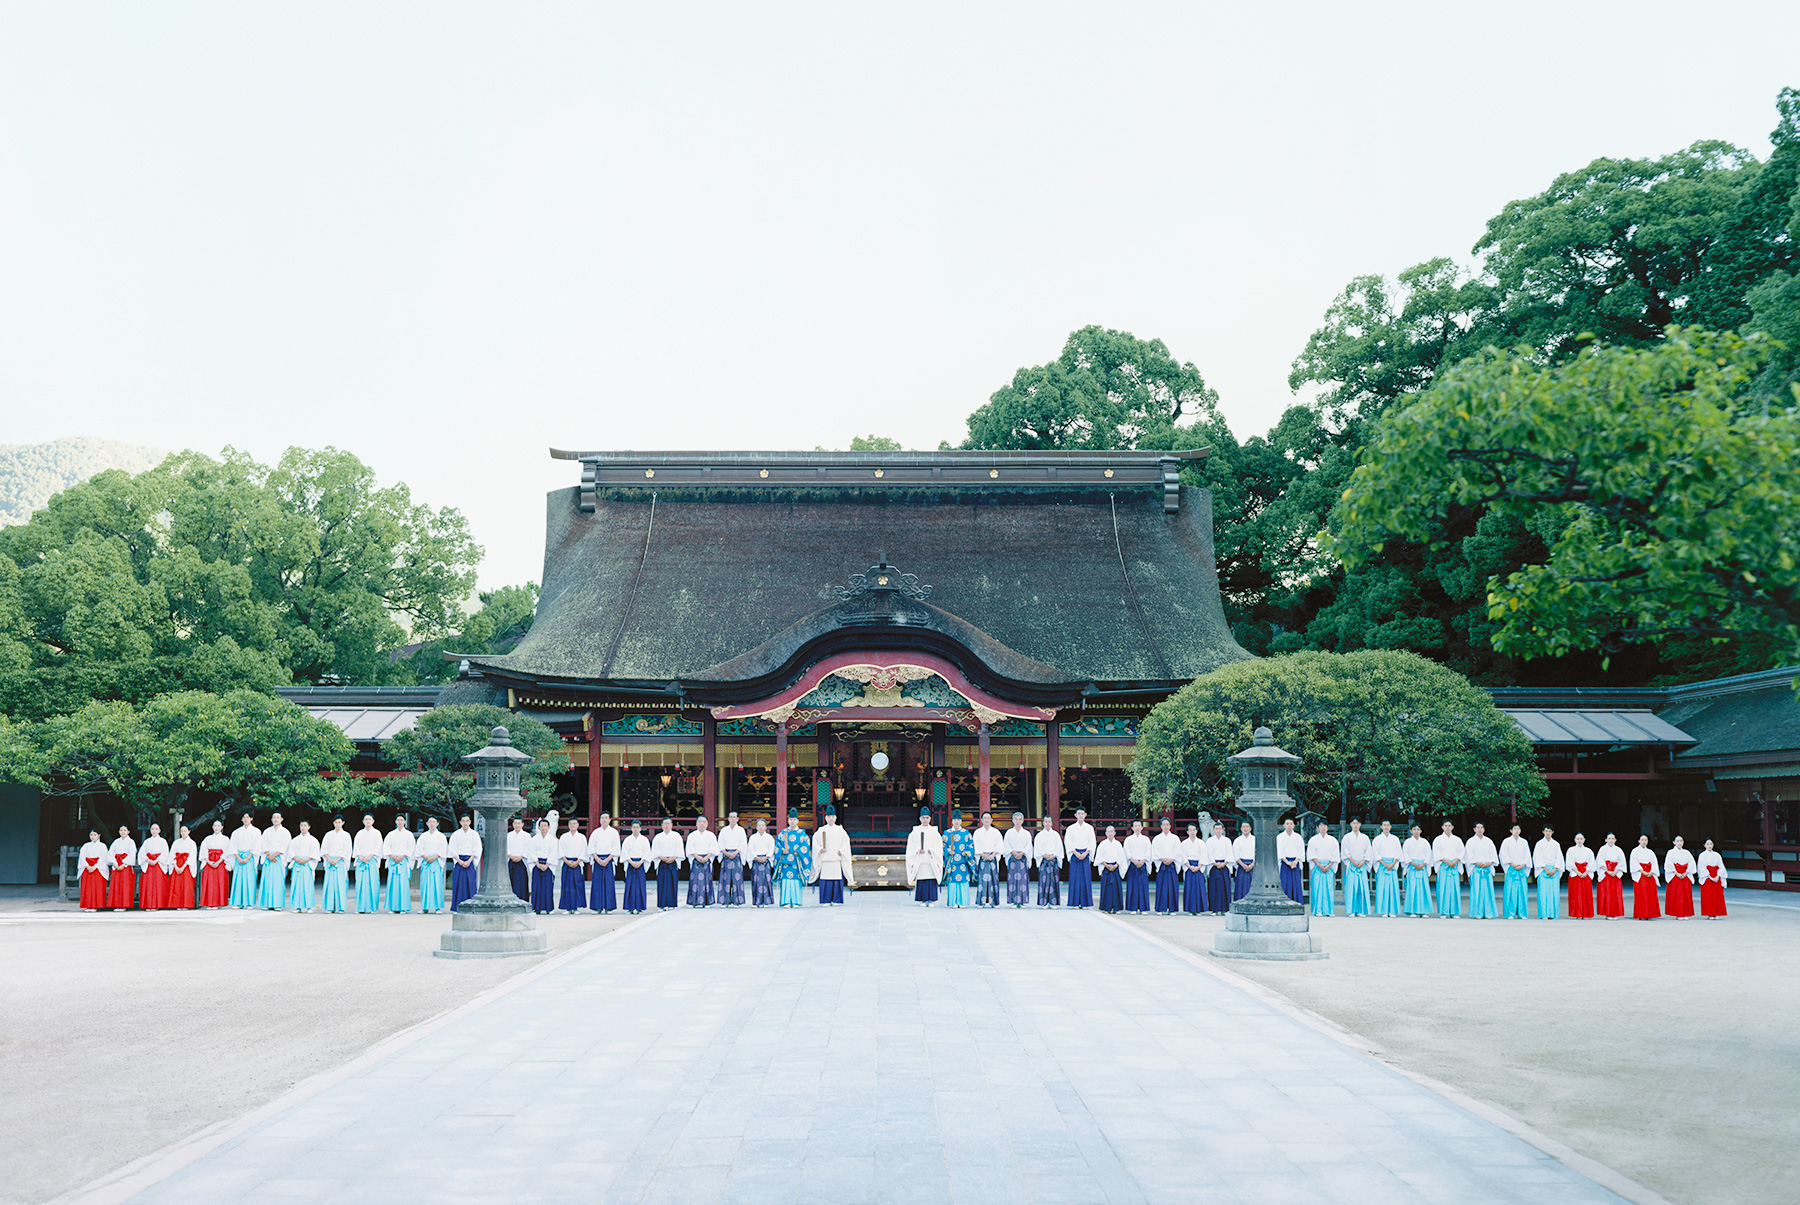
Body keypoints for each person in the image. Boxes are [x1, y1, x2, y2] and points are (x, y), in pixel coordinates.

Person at [812, 808, 854, 905]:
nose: (831, 819)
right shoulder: (821, 830)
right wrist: (820, 849)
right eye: (829, 817)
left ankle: (836, 900)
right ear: (826, 818)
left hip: (836, 859)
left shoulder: (840, 830)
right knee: (826, 880)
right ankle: (825, 900)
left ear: (835, 818)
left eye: (832, 817)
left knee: (836, 880)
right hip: (826, 860)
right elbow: (815, 843)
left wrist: (842, 850)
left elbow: (846, 842)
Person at [906, 808, 943, 906]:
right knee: (922, 879)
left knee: (931, 879)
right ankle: (923, 899)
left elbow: (938, 845)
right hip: (921, 860)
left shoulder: (934, 832)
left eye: (927, 817)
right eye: (923, 818)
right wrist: (917, 850)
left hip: (931, 859)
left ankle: (931, 900)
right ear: (920, 819)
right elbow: (911, 845)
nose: (925, 820)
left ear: (930, 819)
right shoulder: (915, 832)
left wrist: (933, 850)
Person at [774, 813, 811, 907]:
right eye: (790, 819)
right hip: (786, 863)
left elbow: (806, 845)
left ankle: (796, 901)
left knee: (796, 881)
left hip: (796, 863)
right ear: (788, 821)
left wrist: (798, 851)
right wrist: (782, 850)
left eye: (794, 819)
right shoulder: (783, 833)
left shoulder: (803, 834)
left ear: (798, 821)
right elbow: (777, 844)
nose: (792, 821)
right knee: (786, 881)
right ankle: (786, 901)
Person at [1464, 823, 1499, 919]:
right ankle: (1477, 913)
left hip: (1487, 869)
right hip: (1476, 869)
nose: (1479, 829)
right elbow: (1468, 856)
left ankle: (1489, 913)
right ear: (1474, 829)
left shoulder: (1488, 841)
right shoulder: (1470, 842)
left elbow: (1493, 854)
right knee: (1477, 891)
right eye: (1477, 828)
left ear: (1484, 829)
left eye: (1481, 828)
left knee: (1488, 891)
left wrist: (1490, 862)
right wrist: (1476, 862)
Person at [257, 813, 291, 911]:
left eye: (278, 817)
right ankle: (267, 903)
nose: (276, 819)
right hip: (268, 858)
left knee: (278, 882)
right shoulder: (267, 831)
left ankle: (278, 904)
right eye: (274, 818)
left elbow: (286, 845)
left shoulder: (285, 832)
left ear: (281, 819)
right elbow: (262, 843)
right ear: (271, 819)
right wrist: (268, 854)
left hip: (278, 859)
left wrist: (274, 855)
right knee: (267, 881)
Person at [1499, 824, 1533, 920]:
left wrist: (1523, 864)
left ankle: (1522, 913)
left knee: (1522, 892)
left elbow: (1527, 855)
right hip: (1511, 869)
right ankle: (1511, 913)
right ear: (1511, 830)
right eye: (1514, 829)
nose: (1516, 831)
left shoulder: (1524, 842)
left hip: (1521, 869)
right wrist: (1512, 864)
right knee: (1511, 892)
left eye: (1518, 829)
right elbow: (1503, 855)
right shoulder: (1506, 842)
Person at [942, 812, 976, 908]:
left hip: (963, 862)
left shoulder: (966, 834)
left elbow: (971, 846)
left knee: (963, 882)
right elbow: (942, 845)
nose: (956, 822)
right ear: (952, 821)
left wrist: (966, 852)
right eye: (954, 820)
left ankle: (963, 902)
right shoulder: (946, 833)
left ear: (961, 821)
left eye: (958, 820)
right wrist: (948, 851)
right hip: (952, 862)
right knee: (952, 882)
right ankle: (953, 902)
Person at [585, 813, 618, 913]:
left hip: (609, 860)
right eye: (602, 818)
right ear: (600, 820)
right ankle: (597, 907)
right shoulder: (595, 833)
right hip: (598, 860)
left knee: (609, 884)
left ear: (609, 820)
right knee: (597, 885)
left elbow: (616, 848)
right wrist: (597, 859)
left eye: (606, 818)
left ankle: (609, 907)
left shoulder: (613, 832)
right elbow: (591, 847)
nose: (604, 820)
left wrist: (607, 859)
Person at [449, 815, 482, 911]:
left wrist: (469, 861)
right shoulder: (455, 834)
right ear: (460, 822)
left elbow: (477, 849)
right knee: (458, 885)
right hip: (459, 861)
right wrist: (459, 861)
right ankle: (457, 907)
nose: (465, 823)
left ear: (470, 822)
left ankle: (471, 907)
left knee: (470, 884)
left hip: (469, 861)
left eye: (467, 821)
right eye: (463, 821)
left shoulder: (474, 834)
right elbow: (452, 849)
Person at [416, 817, 450, 914]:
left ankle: (437, 907)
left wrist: (434, 857)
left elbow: (443, 849)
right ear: (426, 823)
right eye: (430, 822)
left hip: (436, 862)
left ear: (437, 824)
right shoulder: (423, 836)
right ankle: (424, 907)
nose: (431, 824)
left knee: (437, 885)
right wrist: (425, 857)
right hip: (426, 861)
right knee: (425, 884)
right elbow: (418, 849)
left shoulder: (441, 836)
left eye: (434, 822)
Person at [1063, 809, 1095, 909]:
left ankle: (1085, 903)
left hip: (1085, 854)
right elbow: (1068, 842)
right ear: (1075, 815)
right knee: (1074, 879)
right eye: (1079, 814)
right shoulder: (1071, 828)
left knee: (1086, 879)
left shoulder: (1089, 828)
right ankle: (1075, 903)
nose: (1080, 815)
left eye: (1082, 814)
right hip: (1075, 854)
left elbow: (1092, 842)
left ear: (1085, 815)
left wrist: (1086, 853)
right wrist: (1075, 853)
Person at [1340, 819, 1372, 917]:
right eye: (1354, 823)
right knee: (1351, 889)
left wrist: (1363, 862)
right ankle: (1351, 911)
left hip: (1362, 865)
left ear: (1360, 824)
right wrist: (1353, 862)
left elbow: (1368, 852)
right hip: (1351, 865)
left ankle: (1361, 910)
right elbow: (1345, 852)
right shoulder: (1347, 837)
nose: (1355, 825)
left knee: (1361, 889)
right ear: (1350, 824)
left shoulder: (1365, 838)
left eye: (1357, 823)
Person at [1306, 822, 1339, 918]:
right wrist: (1319, 865)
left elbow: (1335, 855)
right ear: (1318, 828)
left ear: (1328, 828)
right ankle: (1318, 910)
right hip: (1317, 867)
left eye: (1325, 826)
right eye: (1321, 826)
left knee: (1329, 889)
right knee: (1317, 888)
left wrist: (1329, 865)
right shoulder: (1313, 840)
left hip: (1329, 867)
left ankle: (1329, 910)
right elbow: (1311, 854)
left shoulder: (1333, 840)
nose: (1323, 828)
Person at [286, 821, 320, 912]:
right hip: (297, 864)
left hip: (307, 865)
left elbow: (315, 853)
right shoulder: (295, 840)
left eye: (305, 825)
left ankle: (309, 907)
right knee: (297, 886)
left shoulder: (313, 840)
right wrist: (296, 859)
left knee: (308, 885)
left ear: (309, 827)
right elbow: (290, 852)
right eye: (301, 825)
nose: (303, 827)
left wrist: (306, 860)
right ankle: (298, 907)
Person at [352, 814, 384, 913]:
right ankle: (360, 908)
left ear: (373, 821)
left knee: (372, 884)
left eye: (369, 819)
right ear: (363, 821)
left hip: (372, 861)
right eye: (366, 819)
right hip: (361, 861)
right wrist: (360, 857)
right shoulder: (359, 833)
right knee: (360, 885)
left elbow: (379, 847)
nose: (368, 821)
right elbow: (356, 847)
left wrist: (370, 857)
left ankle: (372, 908)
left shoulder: (377, 833)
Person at [384, 817, 416, 914]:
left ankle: (403, 907)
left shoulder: (409, 834)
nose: (400, 822)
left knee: (403, 885)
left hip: (403, 861)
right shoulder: (391, 834)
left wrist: (402, 856)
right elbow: (386, 846)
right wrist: (392, 856)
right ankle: (393, 907)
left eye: (401, 820)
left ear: (405, 821)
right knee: (392, 884)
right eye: (398, 820)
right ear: (395, 821)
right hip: (393, 861)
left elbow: (411, 848)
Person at [1432, 822, 1465, 918]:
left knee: (1454, 889)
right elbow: (1436, 853)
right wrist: (1446, 861)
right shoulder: (1438, 840)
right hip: (1443, 866)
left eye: (1449, 826)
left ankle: (1454, 912)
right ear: (1442, 827)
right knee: (1443, 889)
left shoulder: (1457, 840)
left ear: (1452, 827)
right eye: (1445, 826)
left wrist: (1456, 861)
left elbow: (1461, 852)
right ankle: (1443, 912)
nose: (1447, 827)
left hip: (1454, 865)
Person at [650, 817, 684, 909]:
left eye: (668, 824)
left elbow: (680, 850)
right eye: (664, 824)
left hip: (673, 862)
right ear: (661, 825)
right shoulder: (658, 837)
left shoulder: (676, 836)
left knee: (672, 884)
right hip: (662, 863)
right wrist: (662, 857)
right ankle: (662, 905)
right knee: (662, 884)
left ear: (672, 825)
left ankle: (672, 904)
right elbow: (655, 851)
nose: (666, 825)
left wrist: (674, 858)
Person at [1371, 820, 1403, 917]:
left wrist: (1393, 864)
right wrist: (1384, 863)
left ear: (1390, 826)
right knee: (1382, 888)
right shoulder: (1377, 839)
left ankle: (1392, 911)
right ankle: (1383, 911)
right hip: (1382, 866)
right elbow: (1375, 854)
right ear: (1381, 827)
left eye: (1388, 825)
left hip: (1392, 865)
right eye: (1384, 825)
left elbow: (1398, 853)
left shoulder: (1395, 839)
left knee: (1393, 888)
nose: (1386, 827)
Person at [321, 817, 353, 914]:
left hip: (340, 862)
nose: (337, 824)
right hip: (330, 861)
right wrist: (329, 859)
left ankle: (341, 907)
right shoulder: (328, 835)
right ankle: (330, 907)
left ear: (343, 823)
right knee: (330, 885)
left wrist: (338, 859)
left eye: (339, 822)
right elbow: (324, 848)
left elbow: (347, 850)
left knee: (341, 884)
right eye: (336, 822)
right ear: (333, 823)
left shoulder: (346, 835)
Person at [228, 813, 261, 909]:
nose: (246, 819)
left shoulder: (256, 831)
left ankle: (249, 903)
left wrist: (248, 857)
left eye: (248, 817)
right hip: (239, 857)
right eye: (244, 817)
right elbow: (232, 845)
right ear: (241, 819)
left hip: (249, 858)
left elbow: (256, 845)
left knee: (249, 880)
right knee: (238, 880)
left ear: (251, 819)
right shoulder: (236, 832)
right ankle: (239, 903)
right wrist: (237, 857)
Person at [1401, 824, 1434, 917]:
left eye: (1418, 829)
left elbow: (1429, 854)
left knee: (1423, 889)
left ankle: (1423, 911)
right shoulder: (1407, 842)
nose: (1416, 831)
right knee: (1412, 889)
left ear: (1421, 831)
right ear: (1411, 831)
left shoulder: (1425, 842)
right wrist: (1413, 863)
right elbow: (1405, 855)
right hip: (1412, 867)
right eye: (1414, 829)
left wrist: (1423, 864)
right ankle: (1412, 911)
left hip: (1422, 867)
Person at [555, 818, 587, 913]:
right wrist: (566, 861)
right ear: (568, 825)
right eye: (571, 824)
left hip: (577, 863)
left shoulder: (582, 837)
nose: (572, 825)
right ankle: (568, 908)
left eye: (574, 823)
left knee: (578, 885)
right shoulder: (564, 837)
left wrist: (577, 861)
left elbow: (583, 851)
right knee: (567, 885)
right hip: (567, 862)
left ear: (577, 825)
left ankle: (576, 907)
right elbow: (561, 851)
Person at [1150, 817, 1181, 915]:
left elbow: (1178, 852)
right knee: (1161, 887)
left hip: (1172, 864)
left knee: (1172, 887)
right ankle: (1161, 908)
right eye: (1163, 824)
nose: (1165, 826)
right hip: (1162, 864)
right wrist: (1162, 859)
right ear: (1161, 826)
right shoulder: (1157, 838)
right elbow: (1154, 852)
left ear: (1170, 826)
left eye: (1167, 824)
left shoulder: (1175, 838)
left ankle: (1172, 909)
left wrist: (1171, 859)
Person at [972, 812, 1004, 907]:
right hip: (982, 857)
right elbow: (976, 845)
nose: (986, 820)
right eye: (984, 818)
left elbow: (999, 845)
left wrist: (993, 854)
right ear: (981, 820)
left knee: (993, 880)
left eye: (988, 818)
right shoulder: (978, 832)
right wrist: (982, 854)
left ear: (991, 820)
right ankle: (981, 902)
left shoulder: (996, 832)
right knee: (982, 881)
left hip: (992, 857)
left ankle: (993, 902)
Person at [1531, 826, 1564, 921]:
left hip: (1554, 869)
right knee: (1543, 893)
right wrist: (1545, 868)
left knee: (1554, 893)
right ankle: (1543, 914)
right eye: (1546, 831)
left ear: (1552, 832)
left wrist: (1555, 869)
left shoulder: (1556, 844)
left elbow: (1559, 858)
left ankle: (1554, 914)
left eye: (1549, 831)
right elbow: (1537, 857)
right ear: (1543, 832)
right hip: (1543, 870)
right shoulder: (1539, 844)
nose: (1548, 833)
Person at [685, 816, 717, 908]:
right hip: (696, 859)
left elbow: (713, 848)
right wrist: (697, 856)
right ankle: (693, 902)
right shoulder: (692, 836)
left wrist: (707, 857)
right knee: (694, 882)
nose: (701, 824)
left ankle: (707, 902)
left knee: (707, 881)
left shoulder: (711, 835)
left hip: (707, 859)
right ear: (696, 824)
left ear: (707, 824)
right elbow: (690, 848)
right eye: (699, 822)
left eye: (704, 822)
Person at [716, 812, 747, 907]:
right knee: (725, 879)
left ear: (738, 819)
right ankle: (725, 901)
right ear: (728, 819)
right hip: (726, 855)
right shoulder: (724, 830)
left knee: (736, 879)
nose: (733, 819)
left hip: (736, 855)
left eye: (734, 817)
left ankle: (737, 901)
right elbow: (720, 843)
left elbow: (743, 843)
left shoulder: (741, 830)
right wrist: (725, 852)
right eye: (731, 817)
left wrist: (736, 852)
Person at [620, 820, 652, 914]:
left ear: (641, 828)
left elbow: (647, 852)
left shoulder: (644, 840)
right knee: (630, 886)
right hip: (631, 863)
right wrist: (631, 861)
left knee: (640, 886)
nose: (635, 829)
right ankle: (630, 908)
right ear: (631, 828)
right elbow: (625, 852)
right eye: (634, 827)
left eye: (637, 827)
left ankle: (640, 907)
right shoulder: (627, 840)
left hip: (640, 863)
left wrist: (641, 861)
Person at [1002, 812, 1032, 908]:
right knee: (1012, 880)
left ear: (1022, 821)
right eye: (1016, 819)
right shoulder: (1009, 833)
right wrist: (1013, 853)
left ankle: (1022, 901)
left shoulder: (1026, 833)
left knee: (1023, 880)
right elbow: (1006, 845)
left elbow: (1028, 846)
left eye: (1020, 819)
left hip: (1023, 857)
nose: (1018, 821)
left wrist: (1022, 853)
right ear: (1013, 820)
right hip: (1012, 857)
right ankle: (1014, 901)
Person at [137, 824, 171, 910]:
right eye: (152, 829)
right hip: (149, 865)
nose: (154, 831)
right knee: (148, 885)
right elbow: (141, 853)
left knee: (158, 885)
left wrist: (156, 860)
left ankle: (157, 905)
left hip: (158, 865)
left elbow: (165, 853)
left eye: (156, 829)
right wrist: (148, 860)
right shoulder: (147, 842)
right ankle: (148, 905)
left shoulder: (163, 841)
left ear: (159, 830)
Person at [1122, 819, 1152, 914]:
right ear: (1132, 828)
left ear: (1142, 827)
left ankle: (1143, 909)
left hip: (1143, 864)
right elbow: (1126, 852)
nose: (1137, 828)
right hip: (1133, 864)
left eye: (1139, 826)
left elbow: (1148, 852)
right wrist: (1133, 860)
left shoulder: (1146, 839)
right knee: (1132, 886)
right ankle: (1133, 908)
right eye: (1135, 826)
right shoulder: (1128, 839)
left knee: (1143, 886)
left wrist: (1143, 860)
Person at [199, 820, 231, 909]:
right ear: (212, 827)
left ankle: (217, 903)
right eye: (215, 826)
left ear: (222, 827)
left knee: (219, 882)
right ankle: (209, 903)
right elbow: (203, 850)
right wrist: (208, 861)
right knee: (209, 882)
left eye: (218, 826)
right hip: (210, 861)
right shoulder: (207, 839)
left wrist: (218, 861)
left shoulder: (225, 839)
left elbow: (226, 852)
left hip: (220, 862)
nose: (216, 828)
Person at [530, 818, 560, 913]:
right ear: (538, 827)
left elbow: (553, 852)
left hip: (548, 865)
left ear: (549, 827)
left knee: (548, 887)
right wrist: (537, 864)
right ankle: (536, 908)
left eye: (545, 826)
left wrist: (547, 864)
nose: (543, 828)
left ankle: (549, 908)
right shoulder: (534, 839)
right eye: (541, 826)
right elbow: (531, 852)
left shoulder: (552, 840)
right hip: (537, 864)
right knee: (536, 887)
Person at [1565, 833, 1597, 919]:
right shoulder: (1571, 850)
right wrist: (1578, 872)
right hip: (1576, 873)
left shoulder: (1588, 851)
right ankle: (1577, 914)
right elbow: (1569, 863)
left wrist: (1586, 872)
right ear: (1575, 840)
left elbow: (1592, 863)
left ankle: (1586, 913)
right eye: (1578, 839)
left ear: (1584, 840)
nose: (1579, 841)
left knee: (1586, 894)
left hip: (1585, 873)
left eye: (1581, 839)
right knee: (1576, 894)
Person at [1663, 837, 1697, 920]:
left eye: (1681, 841)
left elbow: (1691, 863)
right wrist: (1676, 873)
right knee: (1677, 894)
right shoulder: (1670, 852)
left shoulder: (1687, 853)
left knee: (1686, 894)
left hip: (1685, 875)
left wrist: (1686, 872)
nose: (1679, 843)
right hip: (1675, 875)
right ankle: (1678, 913)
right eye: (1677, 841)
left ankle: (1685, 913)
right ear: (1674, 842)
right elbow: (1668, 864)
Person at [1629, 835, 1662, 920]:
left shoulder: (1650, 852)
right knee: (1641, 895)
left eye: (1646, 840)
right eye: (1642, 840)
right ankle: (1641, 914)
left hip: (1649, 875)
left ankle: (1650, 914)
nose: (1644, 841)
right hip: (1640, 875)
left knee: (1650, 894)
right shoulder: (1635, 851)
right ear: (1639, 841)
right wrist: (1642, 871)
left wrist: (1651, 871)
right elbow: (1634, 863)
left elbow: (1654, 863)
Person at [1033, 816, 1063, 907]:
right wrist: (1044, 855)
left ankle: (1053, 902)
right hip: (1044, 861)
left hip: (1053, 860)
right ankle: (1044, 902)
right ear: (1043, 823)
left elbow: (1059, 847)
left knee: (1053, 881)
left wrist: (1054, 855)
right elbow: (1037, 848)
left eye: (1049, 821)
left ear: (1052, 823)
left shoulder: (1056, 835)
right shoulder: (1039, 835)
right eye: (1046, 821)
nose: (1047, 823)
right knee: (1043, 881)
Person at [1596, 834, 1627, 919]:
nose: (1611, 840)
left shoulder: (1618, 850)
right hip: (1606, 874)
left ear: (1615, 840)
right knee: (1606, 894)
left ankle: (1614, 913)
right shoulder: (1602, 849)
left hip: (1615, 874)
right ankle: (1607, 913)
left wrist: (1616, 871)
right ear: (1606, 839)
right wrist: (1607, 870)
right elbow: (1599, 861)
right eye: (1609, 838)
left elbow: (1622, 862)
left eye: (1612, 838)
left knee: (1615, 894)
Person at [166, 825, 198, 910]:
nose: (183, 833)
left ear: (189, 831)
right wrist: (175, 865)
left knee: (186, 885)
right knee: (177, 886)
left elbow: (192, 856)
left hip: (186, 866)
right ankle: (178, 904)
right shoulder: (176, 843)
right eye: (181, 831)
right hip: (177, 864)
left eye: (185, 831)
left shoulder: (192, 843)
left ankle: (186, 904)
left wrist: (183, 866)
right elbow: (172, 854)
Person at [1205, 822, 1234, 914]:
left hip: (1224, 865)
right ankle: (1214, 909)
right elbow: (1208, 853)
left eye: (1219, 828)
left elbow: (1230, 853)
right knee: (1213, 888)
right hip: (1214, 866)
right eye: (1216, 829)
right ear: (1213, 830)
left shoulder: (1227, 840)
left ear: (1223, 830)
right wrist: (1214, 863)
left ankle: (1224, 909)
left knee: (1225, 887)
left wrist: (1224, 863)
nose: (1218, 830)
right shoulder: (1209, 841)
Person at [747, 818, 776, 906]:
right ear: (756, 827)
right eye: (759, 825)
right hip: (756, 860)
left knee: (766, 881)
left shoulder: (769, 837)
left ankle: (766, 902)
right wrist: (755, 857)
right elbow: (750, 849)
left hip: (766, 860)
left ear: (766, 827)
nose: (761, 827)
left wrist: (767, 856)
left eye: (763, 825)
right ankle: (756, 902)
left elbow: (772, 848)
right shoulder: (753, 837)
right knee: (756, 881)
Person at [1181, 823, 1209, 915]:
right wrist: (1189, 866)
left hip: (1198, 866)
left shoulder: (1201, 843)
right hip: (1189, 866)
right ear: (1187, 832)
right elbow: (1183, 856)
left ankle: (1198, 909)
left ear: (1197, 831)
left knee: (1199, 888)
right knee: (1189, 888)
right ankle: (1190, 909)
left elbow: (1204, 856)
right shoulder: (1184, 843)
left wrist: (1199, 866)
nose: (1192, 832)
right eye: (1190, 830)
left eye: (1194, 830)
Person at [78, 830, 109, 911]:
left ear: (99, 835)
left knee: (97, 887)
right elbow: (82, 857)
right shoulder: (86, 846)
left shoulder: (102, 846)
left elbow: (103, 857)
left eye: (95, 834)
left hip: (98, 868)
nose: (93, 836)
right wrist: (87, 866)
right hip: (87, 868)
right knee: (87, 887)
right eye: (91, 834)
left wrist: (95, 866)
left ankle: (96, 905)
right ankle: (88, 905)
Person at [1096, 825, 1125, 913]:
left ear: (1115, 833)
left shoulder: (1118, 844)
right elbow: (1099, 857)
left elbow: (1122, 857)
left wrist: (1116, 865)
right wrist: (1106, 864)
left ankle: (1116, 908)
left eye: (1112, 831)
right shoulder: (1102, 844)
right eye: (1108, 831)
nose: (1110, 833)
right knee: (1106, 889)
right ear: (1105, 833)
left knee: (1116, 889)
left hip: (1115, 867)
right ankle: (1106, 907)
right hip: (1106, 868)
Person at [1276, 818, 1305, 905]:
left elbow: (1301, 851)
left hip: (1295, 863)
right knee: (1285, 883)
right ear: (1284, 825)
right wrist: (1287, 862)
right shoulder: (1280, 837)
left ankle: (1297, 903)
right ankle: (1284, 903)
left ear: (1294, 826)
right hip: (1285, 863)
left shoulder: (1298, 837)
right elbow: (1279, 851)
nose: (1289, 825)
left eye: (1291, 823)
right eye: (1287, 823)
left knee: (1296, 883)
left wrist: (1295, 861)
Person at [1697, 839, 1728, 918]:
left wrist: (1718, 875)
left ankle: (1716, 913)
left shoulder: (1717, 855)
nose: (1709, 845)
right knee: (1708, 896)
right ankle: (1710, 914)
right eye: (1707, 844)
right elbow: (1701, 868)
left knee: (1717, 896)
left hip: (1716, 876)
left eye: (1711, 844)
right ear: (1704, 845)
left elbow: (1721, 866)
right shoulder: (1702, 855)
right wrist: (1709, 876)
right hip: (1707, 877)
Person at [506, 817, 531, 901]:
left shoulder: (527, 836)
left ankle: (523, 901)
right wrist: (510, 855)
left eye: (519, 823)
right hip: (511, 860)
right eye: (515, 823)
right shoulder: (508, 835)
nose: (517, 825)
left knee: (522, 882)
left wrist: (521, 856)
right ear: (512, 824)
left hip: (522, 861)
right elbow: (506, 848)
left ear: (522, 824)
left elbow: (528, 848)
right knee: (511, 881)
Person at [1231, 822, 1256, 900]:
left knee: (1253, 886)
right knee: (1240, 887)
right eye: (1243, 827)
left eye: (1247, 827)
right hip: (1242, 866)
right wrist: (1243, 865)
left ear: (1250, 828)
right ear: (1241, 829)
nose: (1245, 828)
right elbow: (1236, 855)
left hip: (1252, 865)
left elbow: (1257, 853)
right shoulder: (1237, 840)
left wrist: (1252, 864)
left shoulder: (1255, 839)